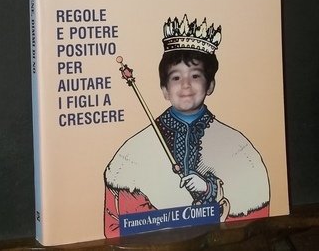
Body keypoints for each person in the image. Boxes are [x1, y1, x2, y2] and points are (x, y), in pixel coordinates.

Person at [103, 15, 270, 238]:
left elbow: (255, 225)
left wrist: (209, 189)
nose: (185, 85)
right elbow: (116, 227)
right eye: (175, 78)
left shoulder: (238, 148)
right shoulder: (133, 152)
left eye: (195, 76)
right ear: (164, 89)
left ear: (210, 85)